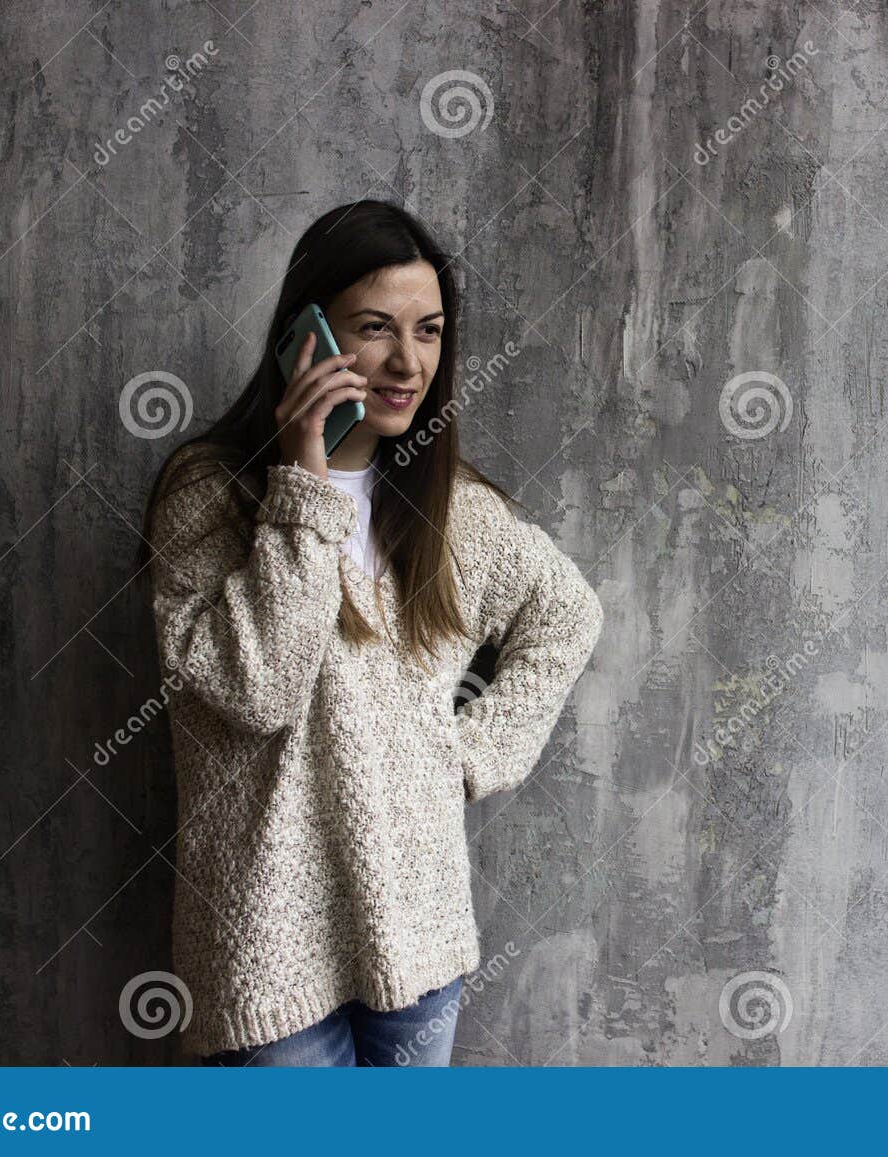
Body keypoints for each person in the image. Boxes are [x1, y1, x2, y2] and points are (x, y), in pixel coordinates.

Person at [136, 200, 603, 1065]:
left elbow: (566, 614)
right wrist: (304, 478)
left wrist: (467, 754)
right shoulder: (210, 496)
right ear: (305, 337)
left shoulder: (452, 510)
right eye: (375, 328)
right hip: (265, 949)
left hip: (418, 935)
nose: (407, 361)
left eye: (428, 331)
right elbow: (254, 691)